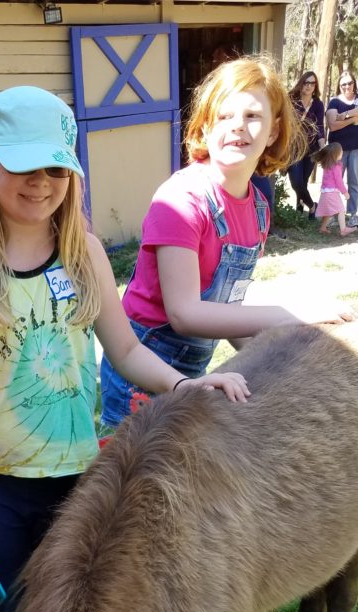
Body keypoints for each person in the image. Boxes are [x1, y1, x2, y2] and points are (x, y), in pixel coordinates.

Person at [0, 85, 249, 612]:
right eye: (22, 166)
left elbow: (123, 349)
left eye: (55, 168)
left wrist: (185, 385)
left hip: (76, 476)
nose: (39, 182)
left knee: (73, 609)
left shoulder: (84, 254)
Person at [100, 56, 354, 429]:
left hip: (195, 375)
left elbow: (225, 309)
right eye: (224, 115)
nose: (238, 126)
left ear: (273, 131)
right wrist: (287, 317)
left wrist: (271, 358)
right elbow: (184, 314)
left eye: (253, 116)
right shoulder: (181, 199)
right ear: (205, 125)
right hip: (142, 372)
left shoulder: (258, 210)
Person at [286, 70, 325, 218]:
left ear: (315, 86)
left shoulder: (318, 105)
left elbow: (320, 127)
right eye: (306, 82)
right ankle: (312, 205)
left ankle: (299, 210)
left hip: (312, 149)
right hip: (294, 149)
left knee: (303, 181)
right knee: (296, 182)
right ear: (301, 83)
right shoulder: (291, 100)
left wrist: (322, 146)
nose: (309, 86)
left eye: (312, 83)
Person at [326, 71, 358, 227]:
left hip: (356, 149)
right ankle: (333, 215)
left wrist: (342, 116)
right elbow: (332, 125)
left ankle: (353, 215)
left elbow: (337, 119)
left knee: (354, 182)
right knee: (333, 182)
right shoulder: (334, 102)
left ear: (354, 84)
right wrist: (353, 117)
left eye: (350, 83)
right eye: (343, 84)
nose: (347, 86)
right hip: (337, 150)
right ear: (339, 85)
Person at [313, 142, 356, 237]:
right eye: (341, 152)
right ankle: (343, 229)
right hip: (332, 193)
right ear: (336, 154)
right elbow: (339, 181)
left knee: (329, 211)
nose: (342, 153)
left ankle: (323, 228)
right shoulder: (336, 166)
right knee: (340, 210)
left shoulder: (327, 165)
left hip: (325, 192)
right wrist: (345, 192)